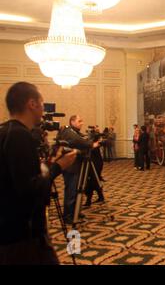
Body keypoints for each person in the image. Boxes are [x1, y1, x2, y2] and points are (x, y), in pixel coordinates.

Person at [0, 82, 77, 265]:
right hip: (23, 236)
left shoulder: (6, 131)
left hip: (8, 230)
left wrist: (48, 163)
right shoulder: (20, 135)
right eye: (42, 103)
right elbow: (29, 189)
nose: (43, 108)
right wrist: (59, 166)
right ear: (32, 104)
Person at [57, 115, 100, 224]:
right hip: (71, 166)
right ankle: (68, 215)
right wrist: (91, 144)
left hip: (77, 165)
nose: (82, 123)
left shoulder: (75, 132)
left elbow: (81, 140)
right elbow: (79, 141)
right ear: (72, 122)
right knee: (71, 191)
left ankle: (76, 212)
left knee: (77, 190)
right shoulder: (68, 131)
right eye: (79, 121)